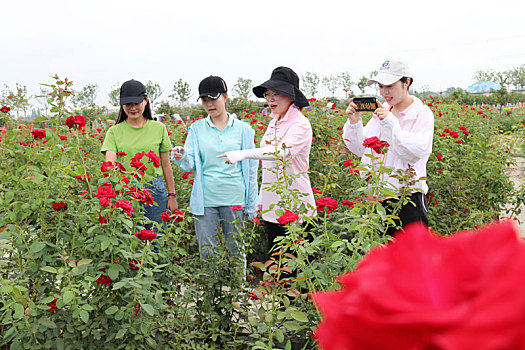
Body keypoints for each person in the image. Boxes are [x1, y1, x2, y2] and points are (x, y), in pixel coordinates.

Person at [217, 66, 316, 252]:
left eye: (277, 94)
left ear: (291, 96)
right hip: (274, 206)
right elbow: (269, 164)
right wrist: (262, 196)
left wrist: (243, 153)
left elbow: (280, 152)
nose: (270, 99)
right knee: (276, 267)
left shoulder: (301, 124)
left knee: (296, 269)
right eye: (268, 94)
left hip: (296, 206)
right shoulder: (274, 122)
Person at [171, 76, 258, 274]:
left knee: (236, 250)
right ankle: (211, 297)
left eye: (214, 99)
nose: (209, 104)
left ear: (225, 97)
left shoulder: (244, 130)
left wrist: (251, 204)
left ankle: (237, 295)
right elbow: (190, 164)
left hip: (235, 197)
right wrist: (181, 156)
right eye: (205, 100)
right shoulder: (197, 129)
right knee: (208, 251)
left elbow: (252, 168)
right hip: (206, 199)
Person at [342, 58, 434, 235]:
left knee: (412, 257)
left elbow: (415, 152)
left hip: (407, 199)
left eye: (390, 86)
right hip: (378, 198)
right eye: (381, 86)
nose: (384, 92)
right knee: (383, 255)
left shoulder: (421, 114)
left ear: (406, 82)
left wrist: (391, 124)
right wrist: (354, 123)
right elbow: (362, 150)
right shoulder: (381, 113)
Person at [101, 79, 178, 232]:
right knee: (127, 238)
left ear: (146, 101)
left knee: (156, 238)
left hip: (154, 190)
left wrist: (172, 195)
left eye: (137, 103)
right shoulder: (114, 132)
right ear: (122, 105)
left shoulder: (159, 128)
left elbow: (166, 165)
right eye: (128, 104)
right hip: (125, 190)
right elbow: (110, 166)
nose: (133, 108)